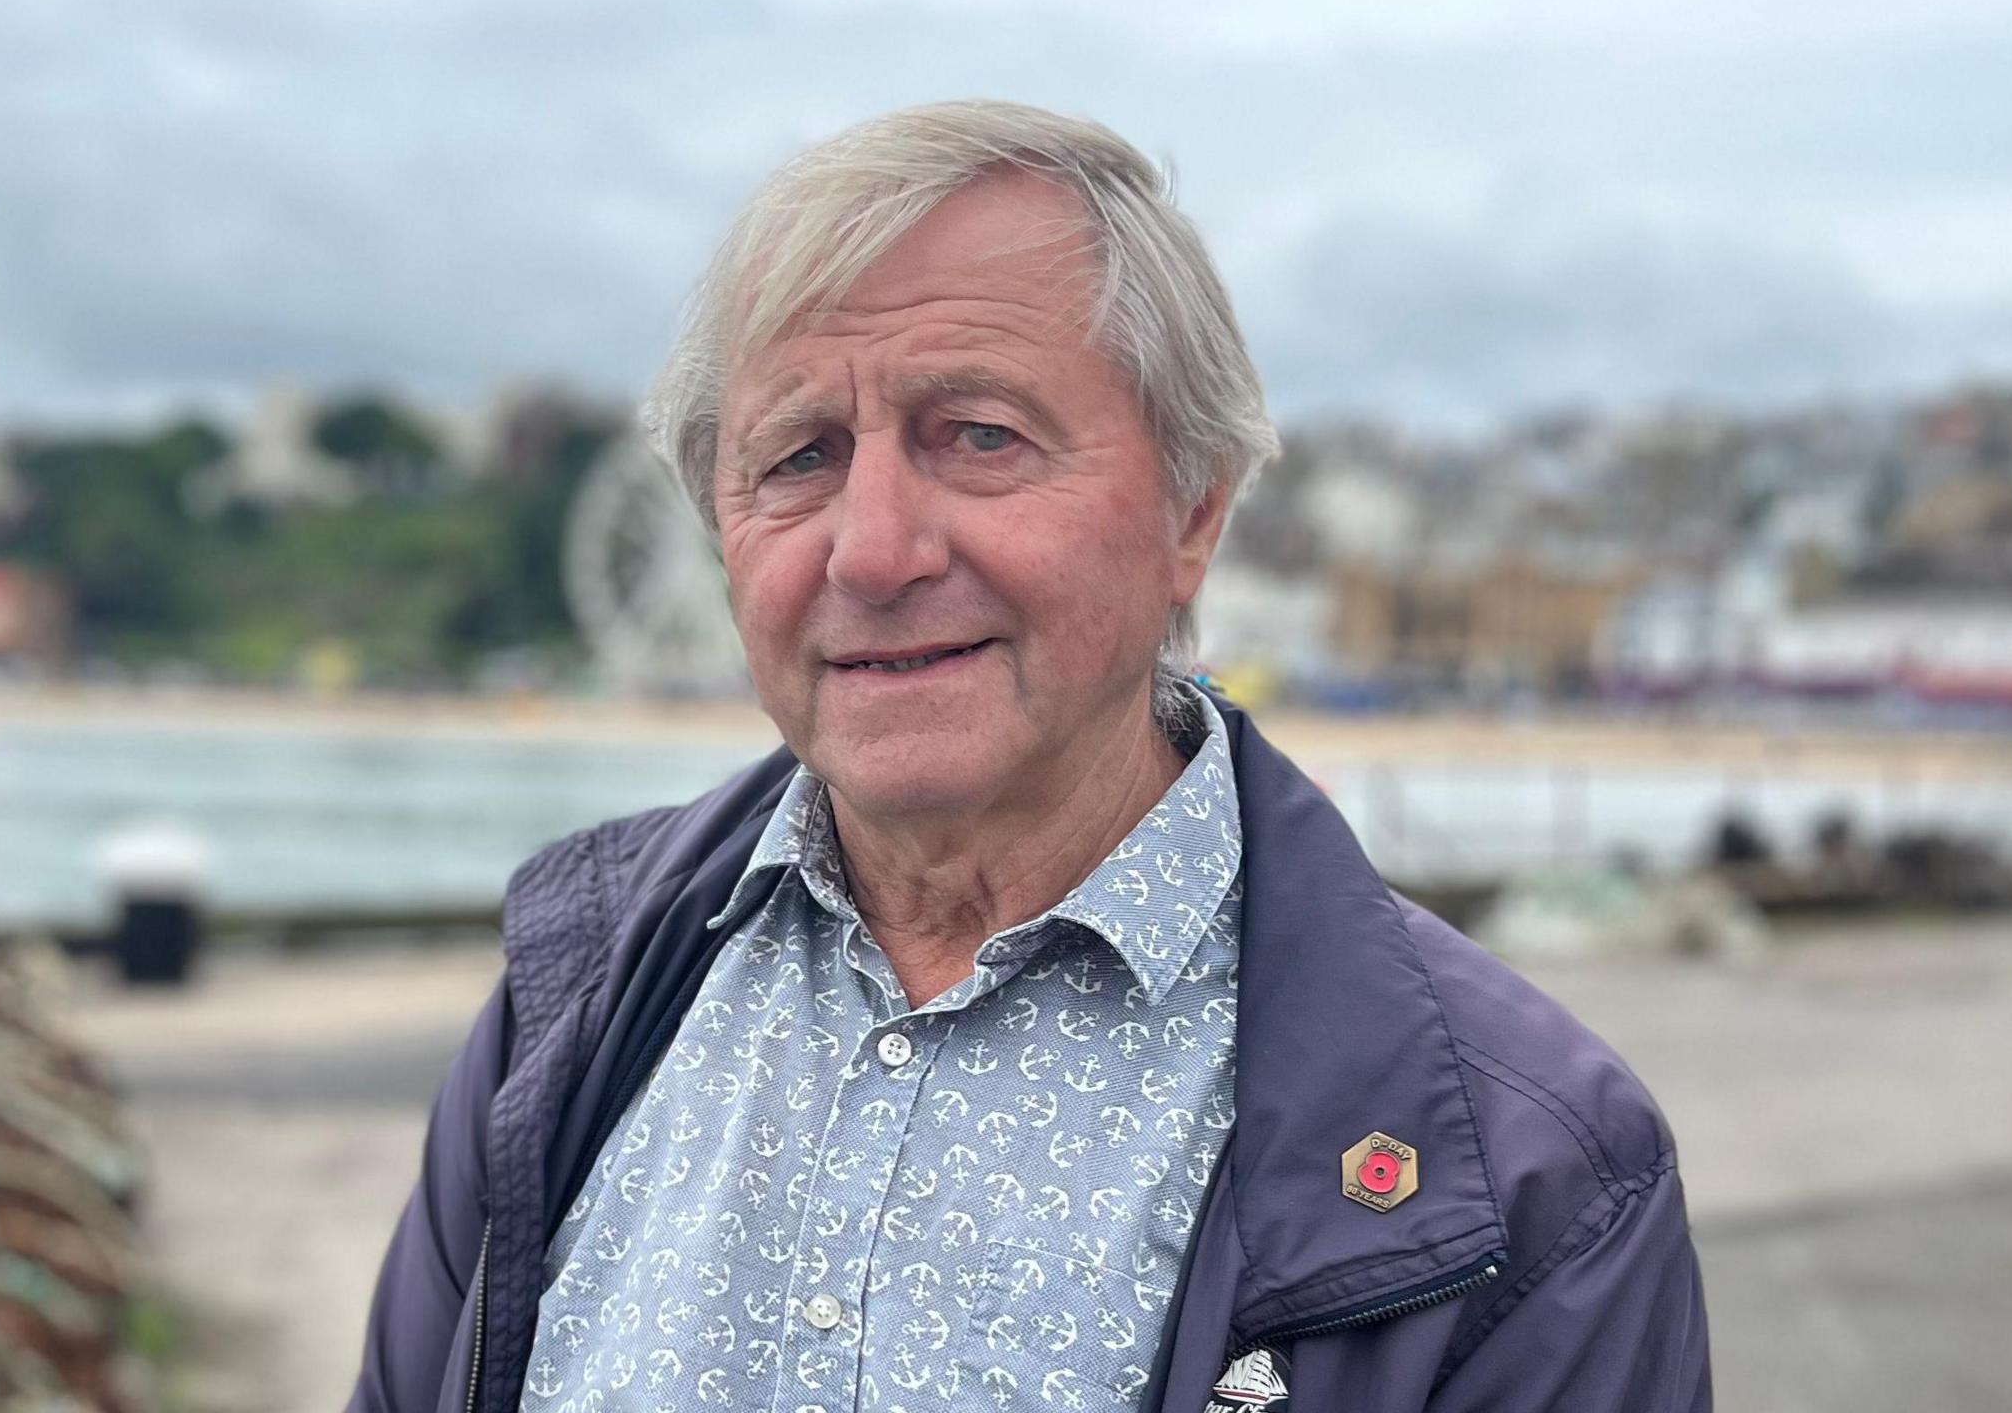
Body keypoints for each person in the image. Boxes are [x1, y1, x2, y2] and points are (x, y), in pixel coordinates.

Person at [348, 99, 1709, 1413]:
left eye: (980, 437)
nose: (874, 551)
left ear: (1195, 511)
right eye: (800, 458)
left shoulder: (1533, 1175)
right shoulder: (579, 995)